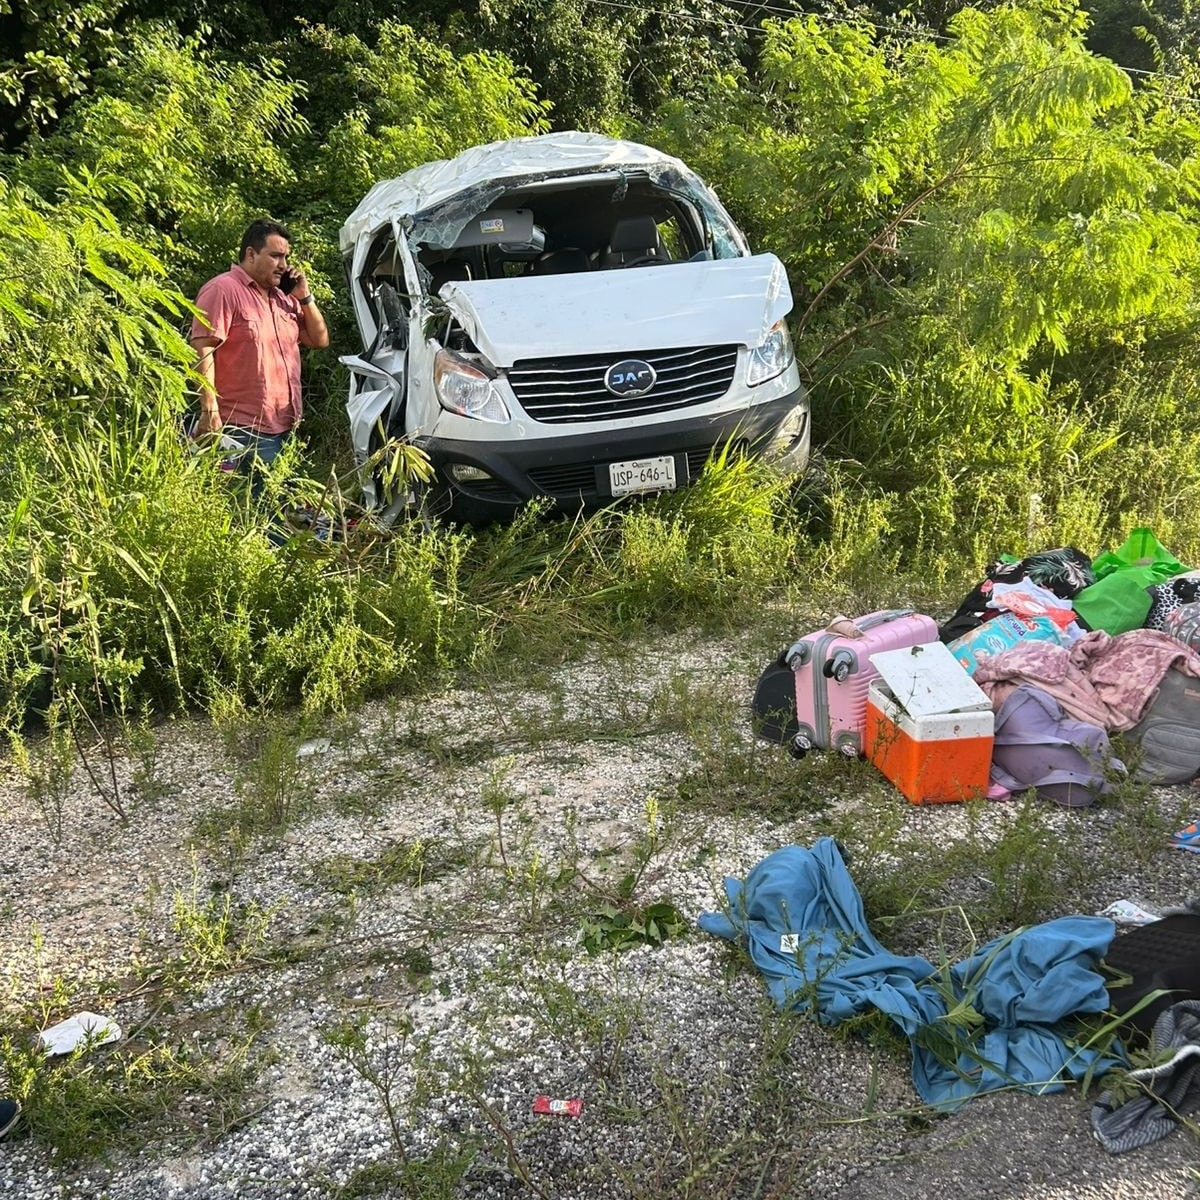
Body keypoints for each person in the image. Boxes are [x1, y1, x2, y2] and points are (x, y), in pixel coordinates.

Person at [189, 219, 330, 480]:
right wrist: (209, 411)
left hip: (286, 426)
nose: (284, 265)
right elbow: (203, 350)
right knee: (246, 511)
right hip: (241, 427)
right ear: (251, 254)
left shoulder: (283, 298)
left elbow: (319, 339)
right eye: (276, 256)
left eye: (286, 257)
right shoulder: (223, 290)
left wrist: (305, 297)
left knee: (276, 511)